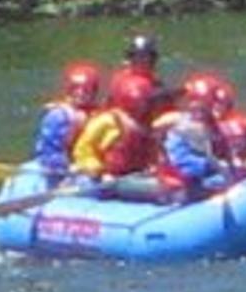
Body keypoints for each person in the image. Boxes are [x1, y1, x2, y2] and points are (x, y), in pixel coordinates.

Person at [70, 70, 171, 201]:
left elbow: (151, 151)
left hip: (133, 176)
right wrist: (98, 172)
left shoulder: (148, 122)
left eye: (146, 102)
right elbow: (83, 150)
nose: (144, 106)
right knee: (159, 190)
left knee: (167, 186)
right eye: (141, 102)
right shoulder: (108, 121)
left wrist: (155, 166)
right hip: (105, 179)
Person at [160, 73, 236, 201]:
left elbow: (224, 153)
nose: (198, 109)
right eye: (194, 102)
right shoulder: (181, 129)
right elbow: (181, 163)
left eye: (205, 105)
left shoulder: (214, 126)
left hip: (207, 178)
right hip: (183, 186)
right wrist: (210, 165)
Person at [32, 61, 101, 181]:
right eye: (75, 88)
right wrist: (67, 166)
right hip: (66, 169)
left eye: (86, 89)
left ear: (94, 91)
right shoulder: (58, 116)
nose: (80, 93)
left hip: (90, 165)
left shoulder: (100, 114)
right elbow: (47, 153)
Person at [110, 32, 176, 116]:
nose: (140, 61)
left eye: (145, 56)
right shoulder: (121, 78)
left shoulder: (154, 80)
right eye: (137, 56)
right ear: (131, 59)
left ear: (152, 59)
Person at [210, 77, 246, 176]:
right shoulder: (207, 125)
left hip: (241, 163)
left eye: (221, 103)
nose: (217, 107)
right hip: (220, 166)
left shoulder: (242, 122)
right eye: (215, 103)